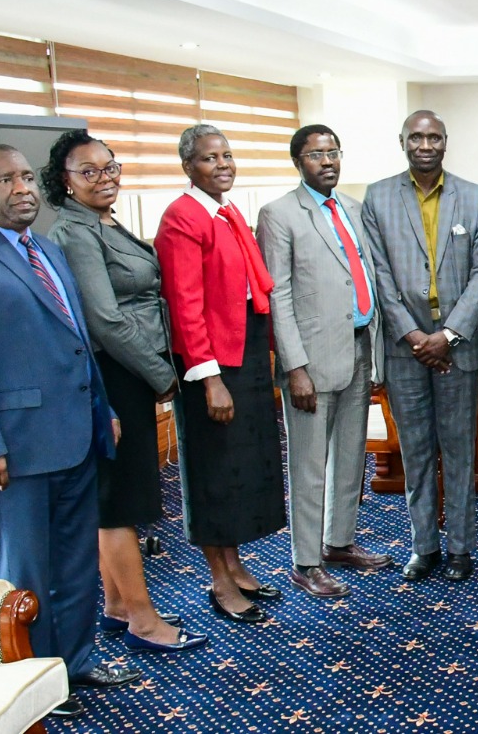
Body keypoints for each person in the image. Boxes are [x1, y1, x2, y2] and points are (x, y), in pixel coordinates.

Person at [0, 145, 141, 719]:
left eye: (26, 176)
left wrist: (104, 410)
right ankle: (30, 679)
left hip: (74, 435)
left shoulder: (45, 248)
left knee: (74, 562)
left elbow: (76, 341)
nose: (22, 187)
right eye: (5, 180)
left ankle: (73, 662)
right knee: (26, 573)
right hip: (13, 451)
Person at [43, 130, 205, 652]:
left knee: (117, 496)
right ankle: (143, 619)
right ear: (64, 182)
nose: (103, 178)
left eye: (108, 167)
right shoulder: (75, 231)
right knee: (119, 502)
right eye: (88, 172)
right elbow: (105, 321)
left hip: (132, 369)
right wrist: (163, 376)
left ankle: (116, 606)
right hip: (116, 373)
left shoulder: (103, 222)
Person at [156, 124, 284, 624]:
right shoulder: (181, 218)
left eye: (227, 155)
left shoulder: (227, 212)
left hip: (245, 352)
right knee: (213, 472)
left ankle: (235, 564)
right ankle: (218, 581)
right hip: (209, 364)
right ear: (188, 166)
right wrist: (209, 379)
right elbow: (185, 305)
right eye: (210, 158)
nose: (223, 164)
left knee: (239, 469)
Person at [259, 124, 395, 597]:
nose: (328, 161)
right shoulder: (279, 214)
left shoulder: (353, 210)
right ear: (298, 161)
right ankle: (306, 559)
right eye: (316, 154)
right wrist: (295, 367)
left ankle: (340, 542)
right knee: (310, 463)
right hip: (311, 362)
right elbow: (278, 294)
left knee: (351, 455)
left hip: (359, 346)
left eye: (333, 152)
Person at [363, 110, 478, 582]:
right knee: (416, 452)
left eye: (434, 137)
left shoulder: (476, 197)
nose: (426, 144)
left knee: (459, 450)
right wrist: (416, 336)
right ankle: (424, 546)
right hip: (405, 349)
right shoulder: (377, 197)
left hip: (456, 348)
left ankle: (461, 548)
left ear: (446, 141)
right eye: (416, 137)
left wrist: (449, 335)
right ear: (402, 141)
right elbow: (377, 272)